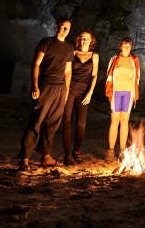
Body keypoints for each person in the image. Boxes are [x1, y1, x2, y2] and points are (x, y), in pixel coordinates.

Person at [18, 19, 73, 170]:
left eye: (67, 28)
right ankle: (25, 158)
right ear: (57, 28)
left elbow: (68, 72)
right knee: (36, 121)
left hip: (60, 89)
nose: (64, 29)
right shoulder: (46, 43)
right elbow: (36, 64)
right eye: (62, 27)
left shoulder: (69, 48)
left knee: (53, 123)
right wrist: (35, 85)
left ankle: (46, 156)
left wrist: (66, 92)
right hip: (46, 86)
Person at [62, 30, 99, 166]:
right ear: (79, 40)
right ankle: (67, 155)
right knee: (66, 121)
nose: (84, 40)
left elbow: (94, 76)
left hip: (84, 90)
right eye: (82, 38)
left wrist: (90, 93)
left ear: (91, 40)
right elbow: (68, 72)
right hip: (70, 88)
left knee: (81, 124)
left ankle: (76, 151)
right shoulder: (73, 53)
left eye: (86, 38)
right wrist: (65, 92)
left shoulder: (94, 56)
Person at [104, 36, 140, 161]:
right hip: (116, 92)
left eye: (129, 46)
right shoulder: (114, 59)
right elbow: (108, 76)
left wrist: (135, 93)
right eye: (124, 46)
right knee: (115, 120)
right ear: (120, 46)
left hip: (128, 93)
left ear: (131, 47)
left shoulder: (134, 60)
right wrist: (109, 93)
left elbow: (137, 78)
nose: (126, 48)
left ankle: (123, 150)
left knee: (125, 121)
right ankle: (110, 150)